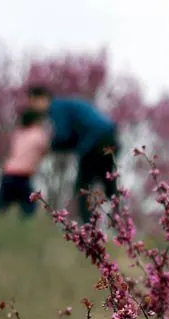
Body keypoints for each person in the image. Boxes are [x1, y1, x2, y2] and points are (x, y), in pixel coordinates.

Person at [26, 85, 120, 224]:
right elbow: (71, 138)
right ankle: (121, 222)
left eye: (33, 103)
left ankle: (88, 230)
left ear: (42, 99)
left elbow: (63, 136)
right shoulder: (65, 105)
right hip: (109, 137)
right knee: (109, 184)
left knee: (83, 188)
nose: (33, 108)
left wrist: (47, 147)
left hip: (94, 142)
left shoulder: (55, 108)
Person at [0, 108, 50, 218]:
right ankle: (25, 231)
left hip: (9, 173)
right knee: (29, 208)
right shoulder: (38, 134)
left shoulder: (19, 134)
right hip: (22, 176)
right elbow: (46, 148)